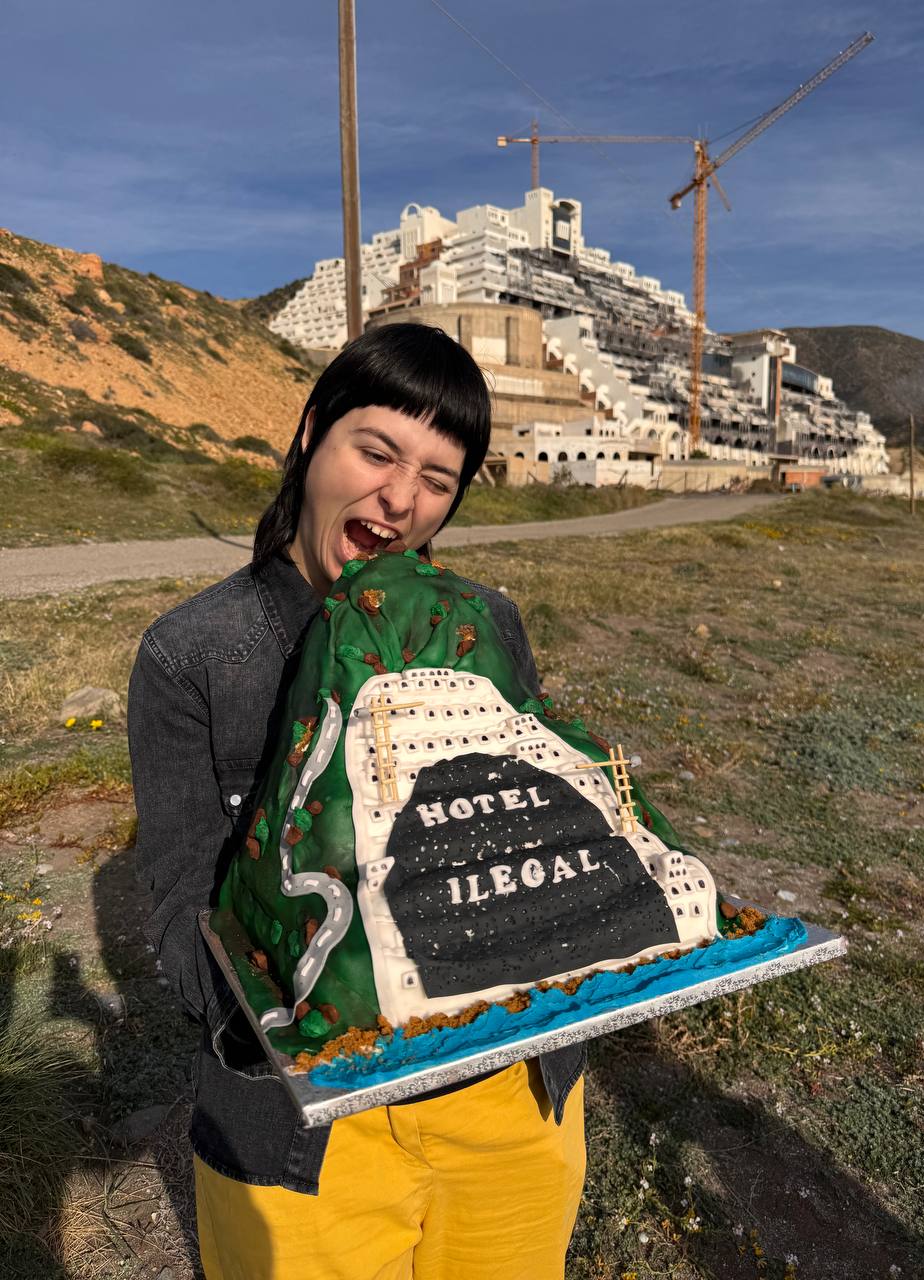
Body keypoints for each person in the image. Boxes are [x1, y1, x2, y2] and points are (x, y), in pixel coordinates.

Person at [127, 323, 587, 1280]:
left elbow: (535, 818)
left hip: (508, 1098)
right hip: (306, 1137)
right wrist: (312, 1004)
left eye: (437, 477)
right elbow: (181, 918)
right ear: (309, 436)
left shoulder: (487, 624)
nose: (400, 497)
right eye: (375, 451)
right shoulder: (192, 657)